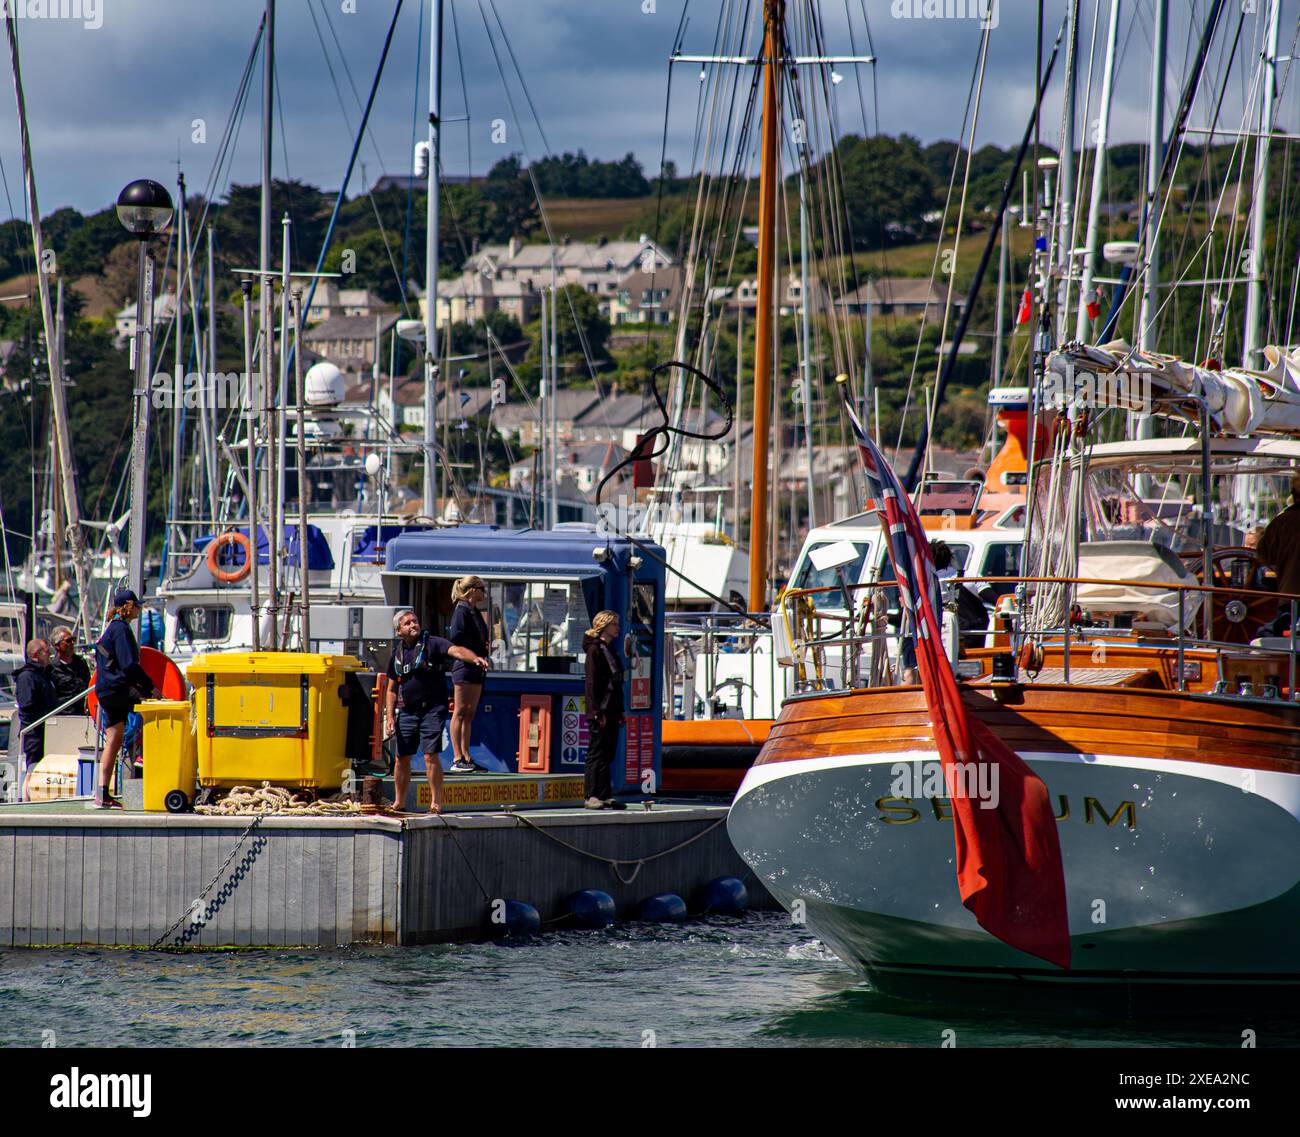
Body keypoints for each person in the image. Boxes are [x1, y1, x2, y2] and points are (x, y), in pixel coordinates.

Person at [384, 608, 489, 814]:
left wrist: (473, 658)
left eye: (415, 621)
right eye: (407, 623)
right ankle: (399, 802)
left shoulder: (433, 643)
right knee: (401, 758)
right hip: (407, 711)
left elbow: (457, 651)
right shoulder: (396, 655)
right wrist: (389, 716)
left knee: (430, 755)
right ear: (399, 631)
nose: (413, 625)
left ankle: (435, 803)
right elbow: (390, 689)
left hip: (433, 709)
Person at [93, 590, 162, 810]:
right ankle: (145, 755)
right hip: (117, 688)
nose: (140, 609)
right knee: (157, 709)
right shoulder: (121, 630)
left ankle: (102, 793)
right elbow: (130, 666)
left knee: (113, 740)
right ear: (128, 606)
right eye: (137, 605)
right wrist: (151, 688)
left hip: (106, 689)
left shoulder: (110, 628)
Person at [582, 610, 626, 810]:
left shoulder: (611, 649)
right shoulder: (595, 650)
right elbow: (591, 684)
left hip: (612, 709)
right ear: (604, 626)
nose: (618, 627)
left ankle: (604, 793)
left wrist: (620, 711)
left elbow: (617, 684)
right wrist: (596, 712)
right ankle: (591, 794)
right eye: (614, 624)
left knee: (608, 752)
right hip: (599, 710)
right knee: (596, 752)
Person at [447, 575, 490, 774]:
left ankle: (466, 756)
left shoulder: (474, 611)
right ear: (472, 589)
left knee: (470, 713)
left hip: (477, 666)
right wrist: (473, 649)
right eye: (482, 588)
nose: (484, 592)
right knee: (460, 711)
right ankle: (457, 757)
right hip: (464, 665)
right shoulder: (461, 610)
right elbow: (455, 637)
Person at [15, 639, 55, 777]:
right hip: (34, 734)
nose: (50, 654)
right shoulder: (27, 676)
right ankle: (28, 797)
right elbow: (27, 705)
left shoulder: (44, 674)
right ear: (35, 655)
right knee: (33, 771)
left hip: (47, 731)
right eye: (46, 651)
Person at [49, 628, 91, 716]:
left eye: (73, 640)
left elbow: (89, 685)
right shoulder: (52, 667)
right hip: (62, 715)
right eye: (68, 641)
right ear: (57, 645)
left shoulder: (81, 662)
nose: (72, 643)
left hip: (82, 713)